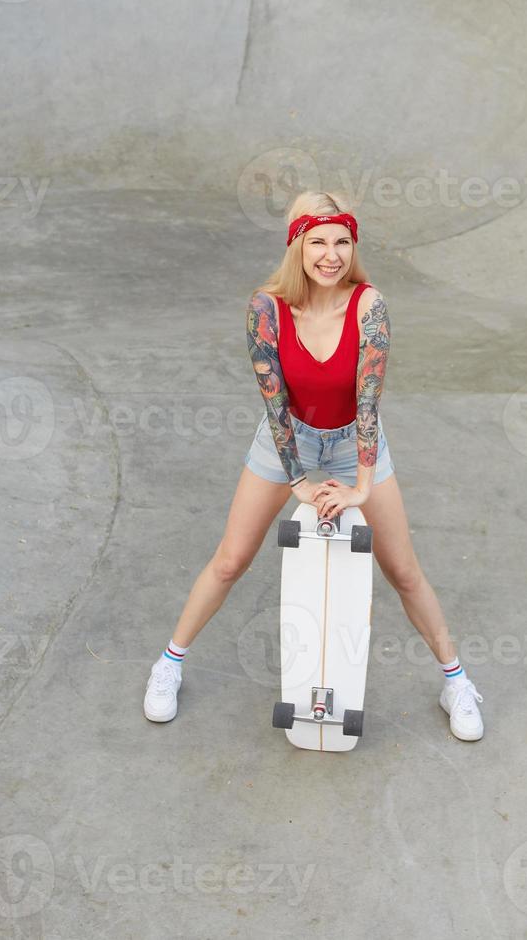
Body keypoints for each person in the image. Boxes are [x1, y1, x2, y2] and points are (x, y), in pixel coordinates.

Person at [143, 191, 485, 740]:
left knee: (403, 570)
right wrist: (299, 481)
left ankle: (457, 682)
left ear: (354, 245)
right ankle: (169, 664)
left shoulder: (369, 305)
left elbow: (369, 403)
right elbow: (275, 407)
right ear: (297, 246)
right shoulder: (266, 309)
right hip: (289, 439)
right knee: (231, 560)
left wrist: (360, 487)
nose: (332, 254)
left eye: (342, 242)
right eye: (319, 242)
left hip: (355, 441)